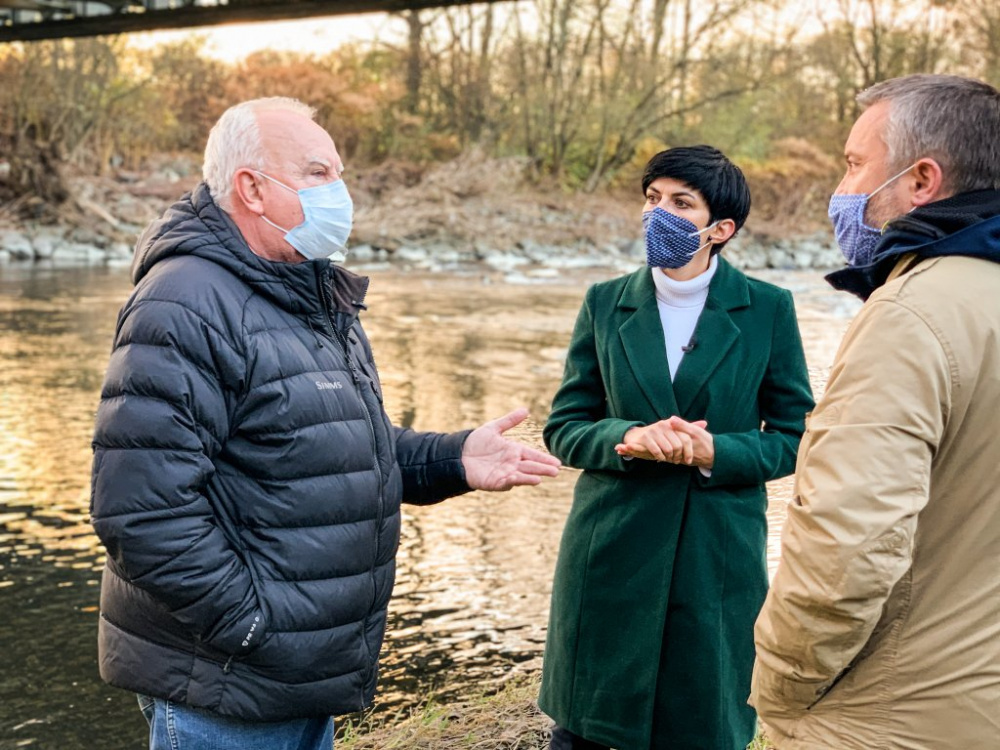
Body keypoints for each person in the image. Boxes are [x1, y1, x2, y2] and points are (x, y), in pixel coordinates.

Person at [89, 96, 561, 750]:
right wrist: (257, 629)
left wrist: (455, 459)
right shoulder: (185, 301)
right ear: (251, 188)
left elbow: (332, 453)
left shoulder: (306, 292)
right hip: (230, 687)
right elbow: (141, 514)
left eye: (337, 174)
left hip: (298, 675)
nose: (338, 192)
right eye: (316, 173)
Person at [751, 74, 1000, 750]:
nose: (843, 189)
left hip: (888, 717)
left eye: (855, 165)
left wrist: (775, 689)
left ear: (921, 180)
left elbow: (845, 551)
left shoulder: (912, 315)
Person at [538, 145, 814, 750]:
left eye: (680, 203)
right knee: (587, 731)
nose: (658, 213)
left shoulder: (768, 308)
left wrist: (719, 452)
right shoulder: (605, 302)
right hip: (611, 552)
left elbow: (797, 437)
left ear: (721, 230)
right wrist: (627, 437)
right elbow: (564, 426)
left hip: (714, 558)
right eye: (652, 199)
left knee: (701, 725)